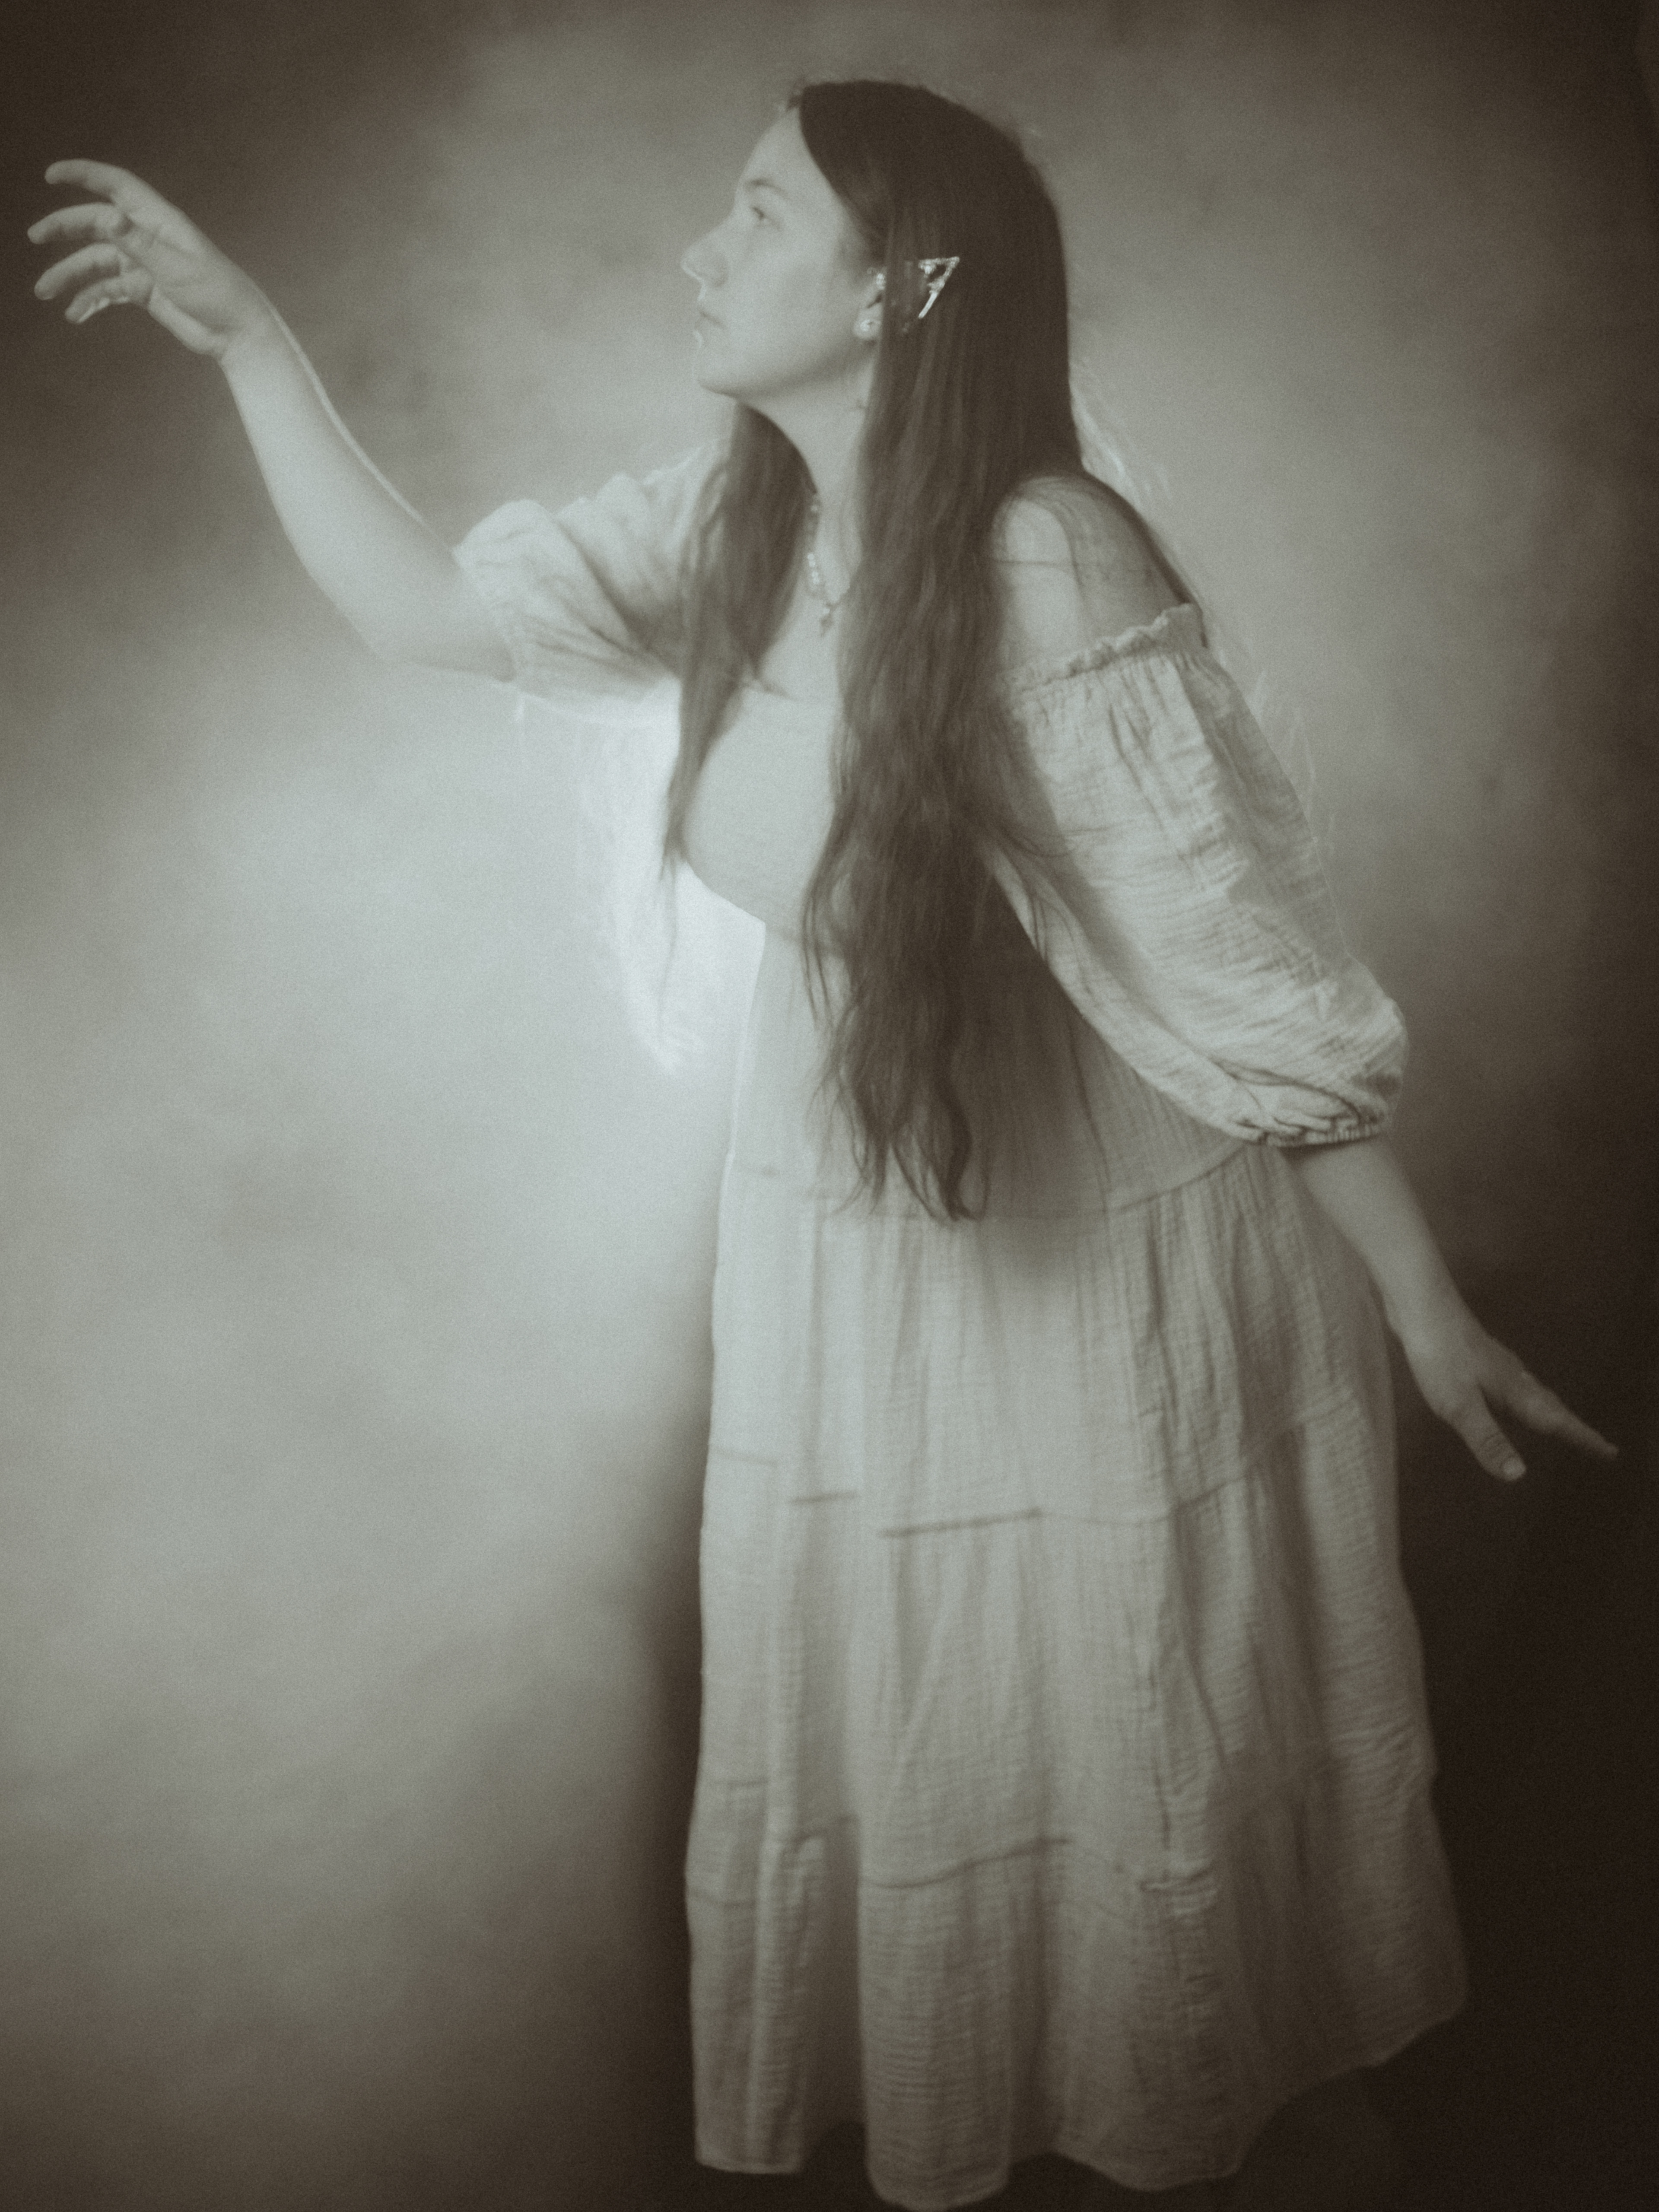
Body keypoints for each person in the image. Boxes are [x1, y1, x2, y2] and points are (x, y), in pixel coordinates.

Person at [30, 77, 1615, 2212]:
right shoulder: (750, 525)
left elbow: (1243, 968)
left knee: (1144, 1769)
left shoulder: (1046, 560)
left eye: (759, 213)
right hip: (879, 1250)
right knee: (959, 1757)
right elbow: (426, 612)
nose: (703, 249)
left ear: (897, 290)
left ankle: (1254, 2148)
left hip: (1098, 1266)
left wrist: (1421, 1299)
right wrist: (250, 339)